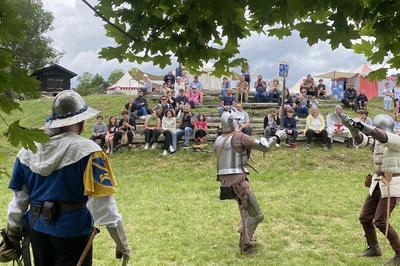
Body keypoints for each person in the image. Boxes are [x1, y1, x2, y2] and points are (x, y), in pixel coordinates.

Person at [0, 91, 130, 266]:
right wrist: (122, 242)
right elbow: (103, 205)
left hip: (38, 230)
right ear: (81, 122)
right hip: (73, 233)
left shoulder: (27, 150)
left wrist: (13, 232)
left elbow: (19, 201)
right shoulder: (89, 152)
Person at [214, 110, 286, 254]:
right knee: (256, 215)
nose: (239, 123)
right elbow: (263, 146)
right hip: (239, 182)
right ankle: (247, 245)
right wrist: (277, 137)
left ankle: (244, 233)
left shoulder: (219, 139)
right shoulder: (239, 136)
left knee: (247, 212)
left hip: (226, 183)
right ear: (232, 122)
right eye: (237, 120)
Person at [342, 113, 400, 265]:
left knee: (381, 221)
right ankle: (374, 248)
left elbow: (382, 137)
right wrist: (352, 128)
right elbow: (362, 140)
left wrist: (363, 125)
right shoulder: (377, 140)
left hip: (392, 184)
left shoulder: (396, 139)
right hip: (377, 182)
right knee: (365, 217)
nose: (377, 131)